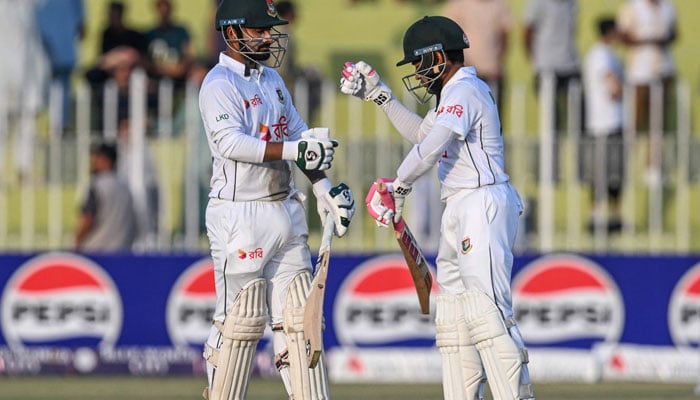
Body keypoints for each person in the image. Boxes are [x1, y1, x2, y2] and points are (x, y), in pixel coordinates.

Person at [341, 16, 534, 400]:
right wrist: (380, 94)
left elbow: (431, 148)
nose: (415, 72)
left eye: (417, 62)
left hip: (483, 203)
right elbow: (422, 135)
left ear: (438, 57)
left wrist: (399, 186)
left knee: (487, 314)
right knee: (453, 317)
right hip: (459, 206)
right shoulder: (451, 95)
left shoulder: (467, 89)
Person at [198, 0, 355, 399]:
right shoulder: (219, 83)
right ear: (232, 33)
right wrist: (291, 151)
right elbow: (230, 142)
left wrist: (322, 187)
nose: (268, 36)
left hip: (285, 207)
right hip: (239, 214)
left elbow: (300, 135)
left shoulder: (272, 80)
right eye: (258, 30)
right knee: (241, 322)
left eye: (269, 29)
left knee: (301, 323)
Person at [616, 0, 677, 184]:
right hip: (639, 73)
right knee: (633, 121)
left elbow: (673, 33)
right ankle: (623, 165)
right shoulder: (632, 8)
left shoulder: (668, 7)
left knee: (658, 122)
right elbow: (623, 36)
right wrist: (647, 41)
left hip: (663, 70)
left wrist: (661, 40)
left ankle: (653, 166)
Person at [582, 17, 625, 235]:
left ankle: (610, 215)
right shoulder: (600, 55)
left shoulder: (606, 54)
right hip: (604, 122)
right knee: (603, 173)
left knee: (613, 173)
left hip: (609, 122)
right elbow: (614, 87)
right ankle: (599, 216)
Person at [443, 0, 513, 116]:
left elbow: (504, 35)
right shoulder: (458, 4)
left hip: (493, 73)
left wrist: (498, 63)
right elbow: (450, 33)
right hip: (466, 72)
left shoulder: (499, 4)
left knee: (493, 118)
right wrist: (463, 64)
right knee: (466, 116)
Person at [75, 142, 137, 252]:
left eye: (95, 158)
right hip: (122, 250)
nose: (92, 162)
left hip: (97, 252)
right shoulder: (125, 187)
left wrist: (77, 241)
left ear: (104, 160)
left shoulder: (98, 186)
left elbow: (88, 219)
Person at [35, 0, 85, 133]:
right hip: (52, 52)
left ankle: (58, 127)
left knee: (56, 90)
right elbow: (82, 29)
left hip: (55, 53)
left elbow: (81, 28)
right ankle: (57, 126)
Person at [144, 0, 195, 89]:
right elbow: (145, 60)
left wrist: (180, 69)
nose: (164, 14)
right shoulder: (150, 34)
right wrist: (162, 70)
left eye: (166, 10)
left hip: (180, 75)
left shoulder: (181, 32)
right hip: (156, 77)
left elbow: (189, 54)